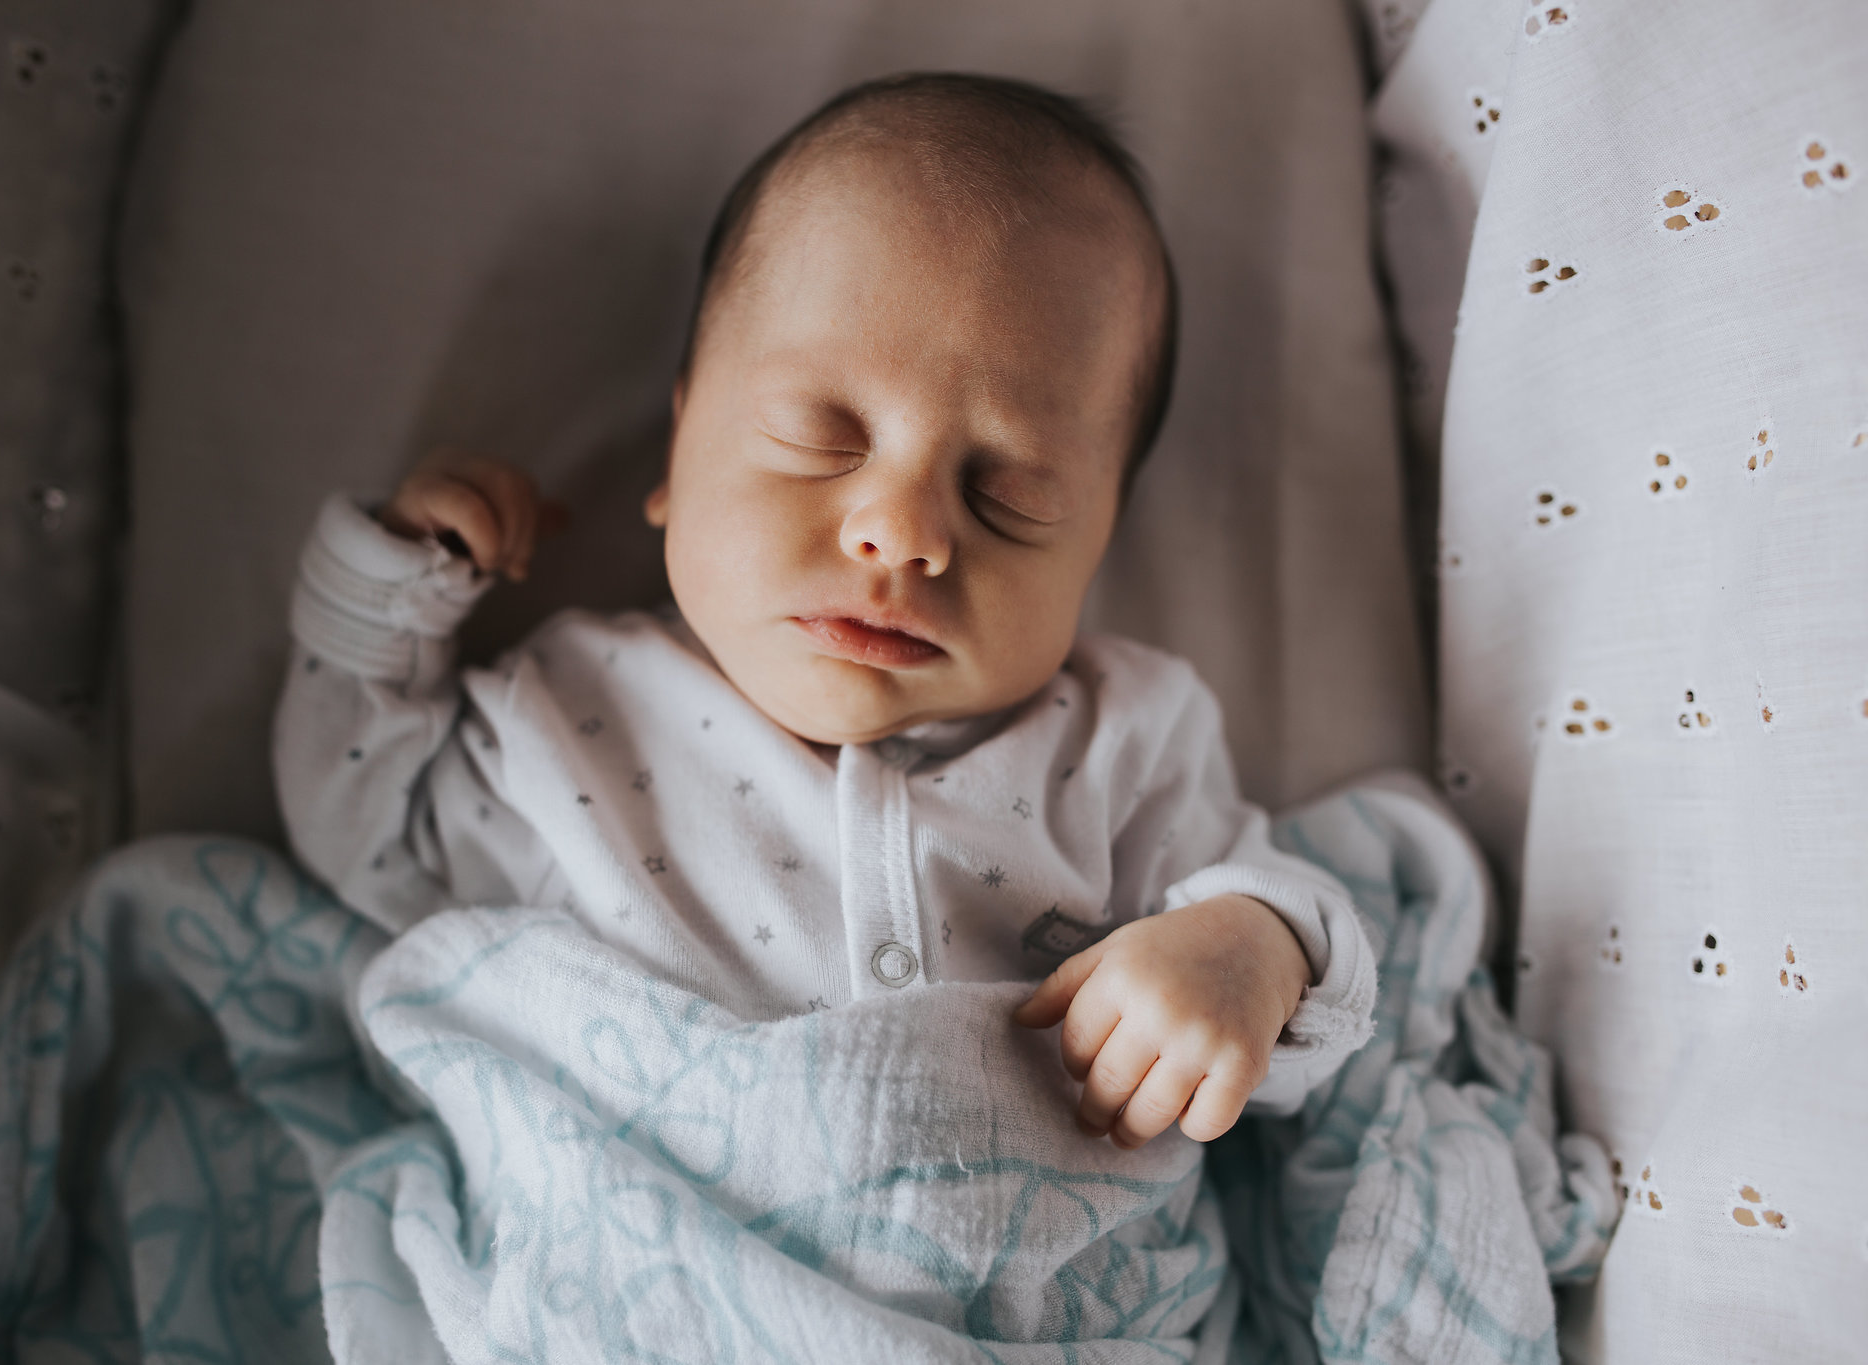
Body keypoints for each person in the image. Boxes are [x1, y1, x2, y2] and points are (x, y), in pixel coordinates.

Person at [274, 72, 1376, 1150]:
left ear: (1096, 544)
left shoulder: (1122, 739)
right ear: (674, 455)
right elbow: (363, 836)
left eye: (1008, 499)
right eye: (818, 438)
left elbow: (1280, 1042)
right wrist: (391, 586)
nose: (898, 534)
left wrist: (1246, 953)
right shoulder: (566, 718)